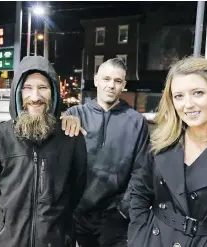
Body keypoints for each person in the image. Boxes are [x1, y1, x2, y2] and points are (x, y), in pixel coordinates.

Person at [128, 56, 207, 247]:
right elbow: (137, 193)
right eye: (179, 96)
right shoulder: (161, 141)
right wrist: (139, 237)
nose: (188, 104)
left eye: (197, 93)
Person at [0, 56, 87, 247]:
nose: (35, 97)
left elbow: (76, 191)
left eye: (43, 88)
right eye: (28, 88)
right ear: (18, 92)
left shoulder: (71, 138)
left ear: (54, 92)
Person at [61, 58, 150, 247]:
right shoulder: (75, 115)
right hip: (77, 214)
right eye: (106, 79)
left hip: (114, 217)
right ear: (96, 80)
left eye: (117, 81)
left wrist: (123, 210)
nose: (111, 85)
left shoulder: (136, 121)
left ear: (124, 85)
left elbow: (141, 170)